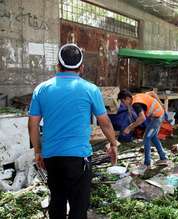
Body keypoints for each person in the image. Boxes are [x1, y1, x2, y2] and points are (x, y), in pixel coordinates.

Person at [28, 43, 118, 219]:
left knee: (57, 200)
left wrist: (38, 151)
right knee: (78, 206)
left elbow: (32, 124)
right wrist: (113, 144)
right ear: (82, 68)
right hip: (79, 158)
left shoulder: (42, 89)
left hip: (51, 157)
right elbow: (105, 123)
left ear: (58, 66)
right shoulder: (90, 89)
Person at [118, 89, 168, 171]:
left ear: (127, 98)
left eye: (123, 102)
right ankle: (163, 158)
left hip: (157, 118)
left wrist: (129, 128)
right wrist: (161, 105)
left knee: (146, 138)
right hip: (159, 115)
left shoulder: (136, 104)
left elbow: (142, 118)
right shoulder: (137, 96)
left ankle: (147, 164)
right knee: (153, 137)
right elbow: (152, 93)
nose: (124, 105)